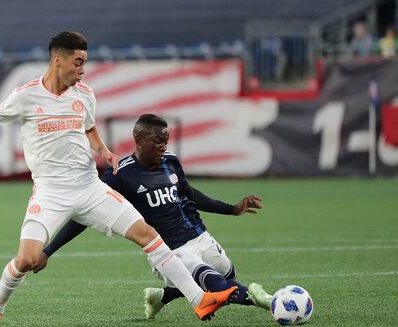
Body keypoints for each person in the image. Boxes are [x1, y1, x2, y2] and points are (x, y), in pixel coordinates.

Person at [0, 32, 236, 326]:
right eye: (78, 62)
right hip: (50, 193)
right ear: (58, 60)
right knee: (26, 259)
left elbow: (89, 126)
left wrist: (104, 151)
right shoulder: (26, 96)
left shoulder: (84, 94)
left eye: (85, 63)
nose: (82, 70)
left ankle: (200, 300)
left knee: (148, 235)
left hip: (89, 186)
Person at [38, 113, 274, 320]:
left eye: (166, 141)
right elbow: (84, 215)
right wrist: (47, 251)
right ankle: (272, 303)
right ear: (139, 140)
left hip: (199, 236)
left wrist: (232, 209)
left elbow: (191, 195)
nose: (163, 146)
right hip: (168, 251)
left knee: (228, 274)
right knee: (215, 284)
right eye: (158, 141)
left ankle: (163, 296)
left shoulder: (170, 162)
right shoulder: (120, 175)